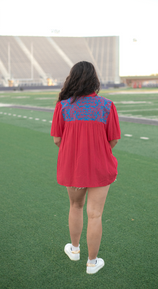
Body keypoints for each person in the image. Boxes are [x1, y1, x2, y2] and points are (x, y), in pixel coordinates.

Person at [51, 61, 121, 274]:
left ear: (72, 78)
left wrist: (74, 152)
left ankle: (74, 249)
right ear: (94, 80)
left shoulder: (63, 106)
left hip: (73, 167)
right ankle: (92, 262)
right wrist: (97, 151)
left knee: (75, 206)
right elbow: (113, 140)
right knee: (95, 214)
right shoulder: (107, 105)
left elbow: (56, 139)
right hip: (100, 167)